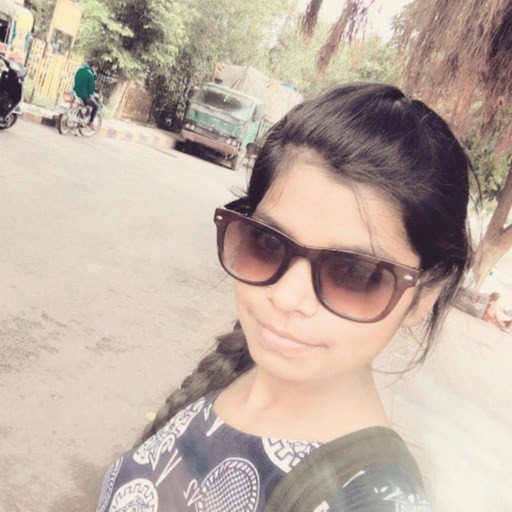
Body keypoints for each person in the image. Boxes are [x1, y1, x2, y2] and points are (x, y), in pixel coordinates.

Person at [95, 83, 472, 512]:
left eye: (355, 273)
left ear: (424, 296)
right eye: (269, 243)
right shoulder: (235, 373)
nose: (287, 297)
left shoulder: (367, 501)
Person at [72, 58, 100, 129]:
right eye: (96, 69)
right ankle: (90, 123)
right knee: (96, 106)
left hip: (74, 92)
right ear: (94, 67)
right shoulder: (91, 75)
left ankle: (80, 118)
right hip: (83, 95)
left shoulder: (80, 69)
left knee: (84, 104)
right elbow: (91, 91)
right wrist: (95, 94)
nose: (95, 70)